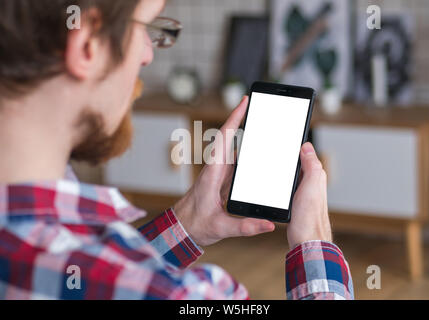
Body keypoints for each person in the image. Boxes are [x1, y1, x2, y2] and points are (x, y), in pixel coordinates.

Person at [0, 0, 353, 300]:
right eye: (144, 28)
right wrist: (314, 243)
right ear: (88, 45)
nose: (148, 54)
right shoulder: (189, 296)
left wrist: (188, 224)